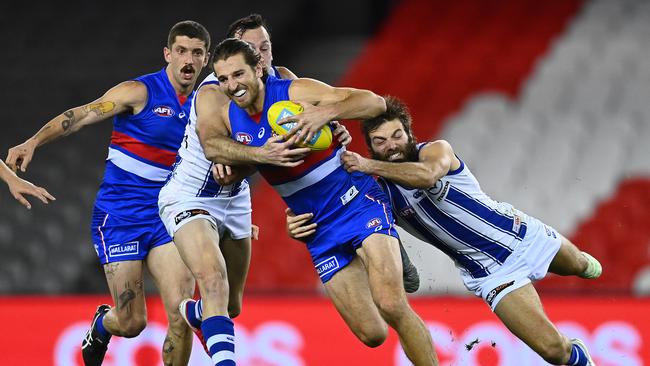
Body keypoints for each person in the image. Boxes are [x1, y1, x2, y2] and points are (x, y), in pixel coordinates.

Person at [287, 96, 601, 366]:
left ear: (409, 132)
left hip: (519, 235)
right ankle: (578, 356)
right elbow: (339, 211)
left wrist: (370, 165)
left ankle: (581, 263)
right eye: (380, 142)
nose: (391, 146)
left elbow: (426, 176)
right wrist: (296, 221)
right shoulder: (377, 190)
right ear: (369, 146)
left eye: (397, 135)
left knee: (582, 267)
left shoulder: (436, 151)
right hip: (488, 272)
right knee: (553, 350)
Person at [198, 38, 439, 365]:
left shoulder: (292, 92)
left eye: (238, 74)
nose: (232, 86)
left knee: (392, 304)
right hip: (315, 226)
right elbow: (212, 145)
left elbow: (374, 103)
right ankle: (378, 256)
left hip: (357, 201)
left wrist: (323, 114)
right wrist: (253, 159)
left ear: (258, 69)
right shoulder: (228, 118)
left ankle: (382, 250)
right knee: (373, 334)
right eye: (223, 79)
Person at [5, 21, 211, 365]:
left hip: (168, 215)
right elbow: (82, 115)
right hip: (121, 215)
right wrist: (34, 141)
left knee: (181, 314)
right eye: (181, 51)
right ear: (168, 54)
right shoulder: (139, 92)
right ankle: (103, 322)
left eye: (196, 52)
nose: (188, 59)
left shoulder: (207, 104)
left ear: (205, 60)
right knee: (132, 323)